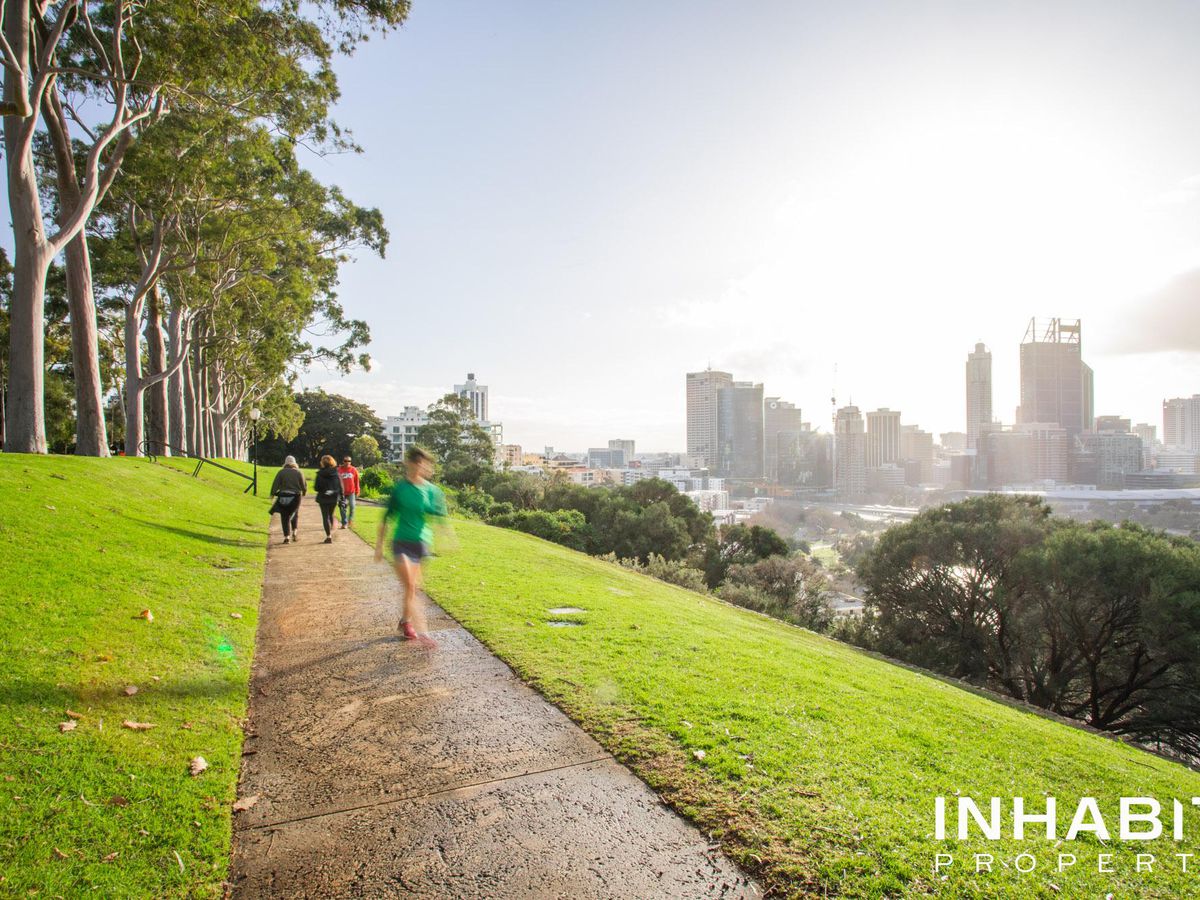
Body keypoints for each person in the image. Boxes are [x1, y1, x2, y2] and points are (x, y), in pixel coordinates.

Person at [375, 446, 449, 647]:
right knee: (409, 585)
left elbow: (439, 516)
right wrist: (379, 546)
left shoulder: (431, 490)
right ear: (409, 463)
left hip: (421, 543)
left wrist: (447, 536)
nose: (420, 467)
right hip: (401, 542)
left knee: (413, 587)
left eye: (423, 464)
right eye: (416, 463)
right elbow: (386, 518)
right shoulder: (400, 489)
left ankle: (405, 621)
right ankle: (423, 631)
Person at [269, 456, 307, 544]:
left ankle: (287, 537)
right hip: (296, 497)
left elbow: (275, 484)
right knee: (294, 514)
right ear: (295, 463)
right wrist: (304, 492)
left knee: (284, 516)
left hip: (283, 496)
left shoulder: (281, 472)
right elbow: (303, 485)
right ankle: (294, 531)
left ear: (285, 463)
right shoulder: (298, 472)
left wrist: (272, 494)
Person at [314, 455, 344, 543]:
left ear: (322, 463)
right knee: (331, 515)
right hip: (333, 497)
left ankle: (328, 536)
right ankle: (332, 530)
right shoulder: (336, 473)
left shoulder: (320, 474)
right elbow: (340, 486)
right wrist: (342, 496)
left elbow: (316, 488)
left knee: (325, 517)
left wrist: (324, 490)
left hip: (323, 497)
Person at [337, 455, 360, 529]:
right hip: (341, 493)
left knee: (352, 506)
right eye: (345, 461)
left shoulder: (354, 470)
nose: (347, 462)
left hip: (351, 492)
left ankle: (350, 520)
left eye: (349, 461)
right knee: (342, 507)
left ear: (350, 462)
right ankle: (344, 523)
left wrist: (357, 490)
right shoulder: (339, 470)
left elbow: (356, 481)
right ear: (343, 461)